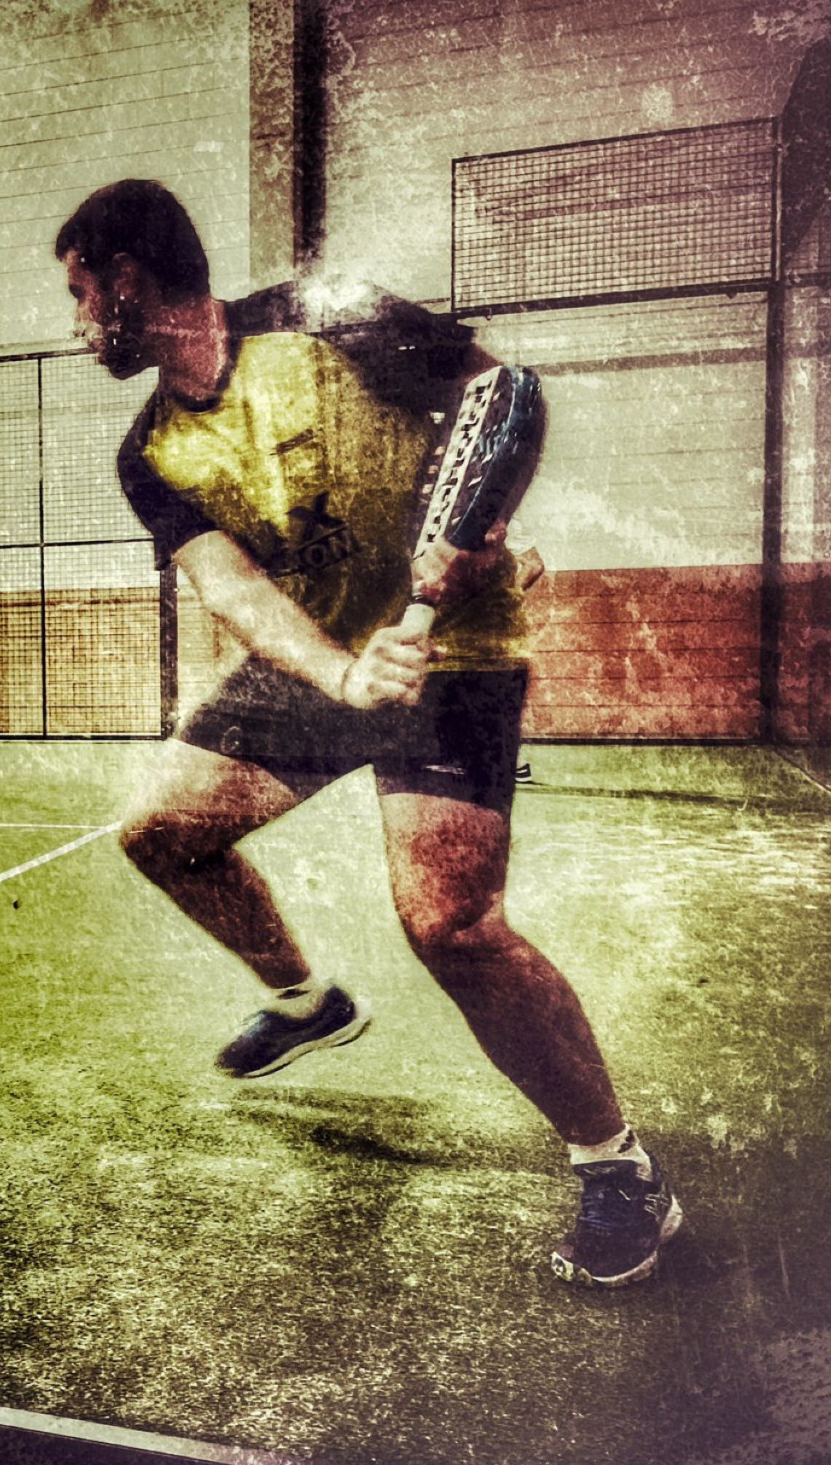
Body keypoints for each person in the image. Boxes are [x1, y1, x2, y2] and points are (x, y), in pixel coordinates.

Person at [55, 179, 681, 1287]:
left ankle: (618, 1169)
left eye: (80, 295)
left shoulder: (324, 317)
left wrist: (470, 548)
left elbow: (499, 394)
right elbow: (233, 590)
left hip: (452, 654)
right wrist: (340, 672)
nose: (77, 324)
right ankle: (307, 1003)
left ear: (127, 281)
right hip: (321, 656)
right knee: (161, 831)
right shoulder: (147, 453)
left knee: (451, 924)